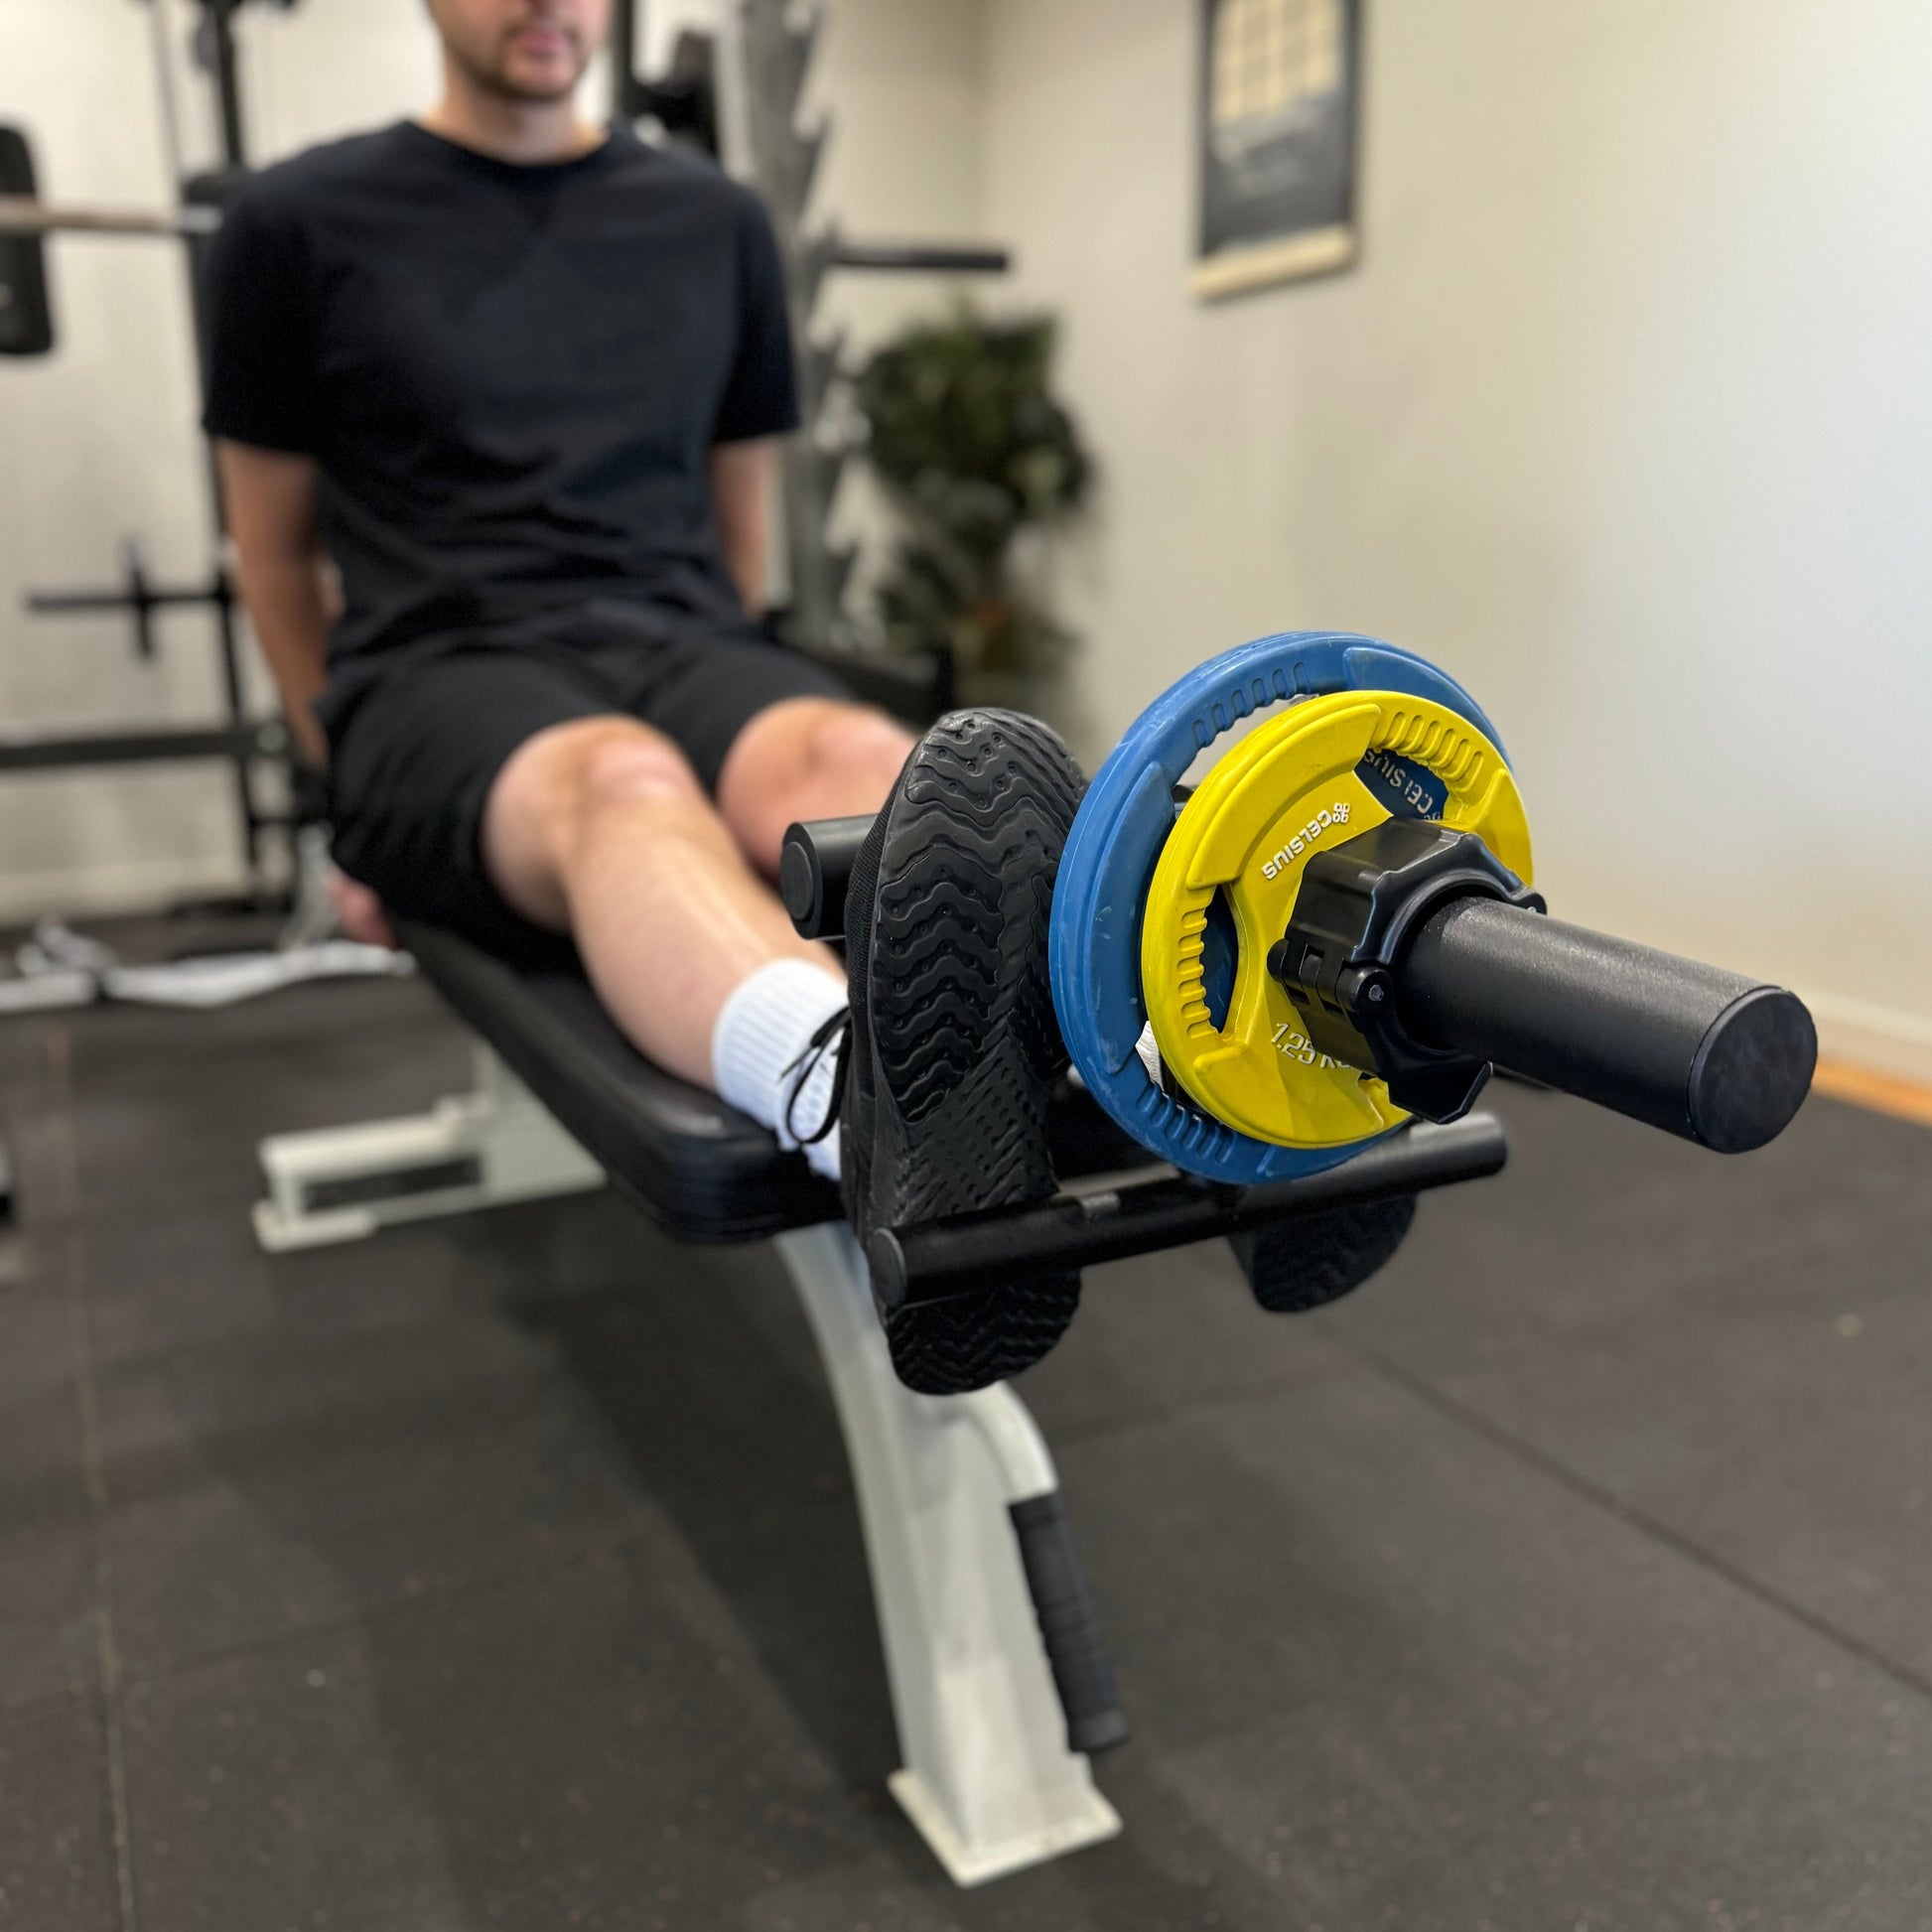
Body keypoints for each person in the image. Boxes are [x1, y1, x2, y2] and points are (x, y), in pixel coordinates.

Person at [205, 0, 1085, 1393]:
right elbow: (271, 554)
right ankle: (856, 1114)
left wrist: (731, 697)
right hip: (439, 666)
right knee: (620, 782)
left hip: (676, 633)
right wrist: (350, 789)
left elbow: (739, 531)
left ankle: (1146, 1028)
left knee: (860, 753)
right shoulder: (293, 224)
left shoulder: (713, 221)